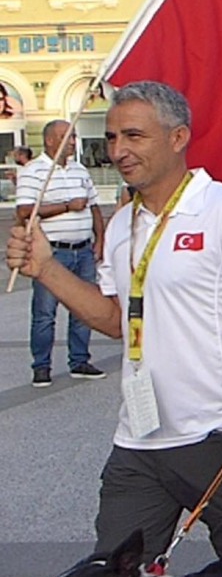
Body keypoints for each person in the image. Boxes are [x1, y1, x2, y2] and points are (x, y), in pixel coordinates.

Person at [5, 80, 222, 577]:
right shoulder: (126, 222)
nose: (119, 149)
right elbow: (113, 317)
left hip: (221, 434)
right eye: (111, 137)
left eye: (133, 135)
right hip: (138, 443)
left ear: (177, 137)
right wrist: (46, 268)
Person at [15, 120, 107, 387]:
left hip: (82, 249)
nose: (73, 141)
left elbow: (94, 207)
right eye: (67, 137)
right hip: (52, 252)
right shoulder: (34, 171)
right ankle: (41, 366)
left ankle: (79, 360)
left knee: (83, 308)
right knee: (45, 312)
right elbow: (24, 212)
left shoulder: (80, 170)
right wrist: (67, 206)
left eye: (74, 136)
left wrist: (99, 239)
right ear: (50, 141)